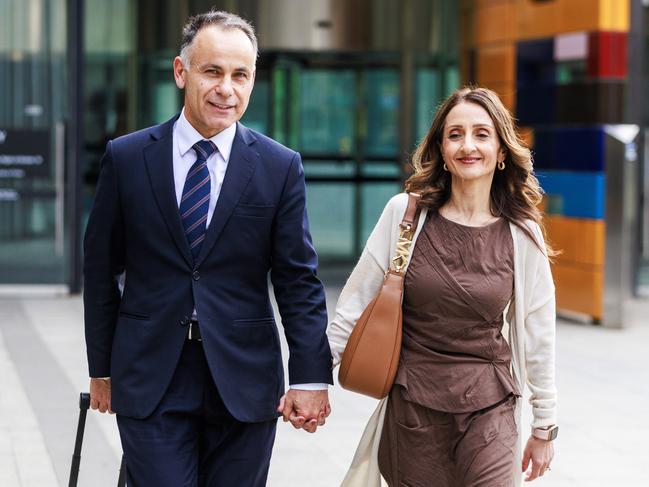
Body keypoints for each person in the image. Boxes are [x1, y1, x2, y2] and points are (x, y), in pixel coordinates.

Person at [83, 10, 332, 486]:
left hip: (244, 380)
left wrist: (309, 376)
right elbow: (100, 271)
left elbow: (298, 279)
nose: (227, 89)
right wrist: (102, 367)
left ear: (253, 80)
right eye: (212, 71)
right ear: (182, 72)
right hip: (150, 373)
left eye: (240, 75)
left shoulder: (279, 167)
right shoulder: (128, 158)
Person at [328, 86, 557, 487]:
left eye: (482, 134)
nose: (468, 145)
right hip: (414, 406)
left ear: (502, 151)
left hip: (491, 406)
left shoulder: (523, 234)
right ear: (442, 149)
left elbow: (540, 331)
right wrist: (313, 380)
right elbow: (357, 302)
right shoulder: (406, 217)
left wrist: (544, 424)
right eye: (455, 135)